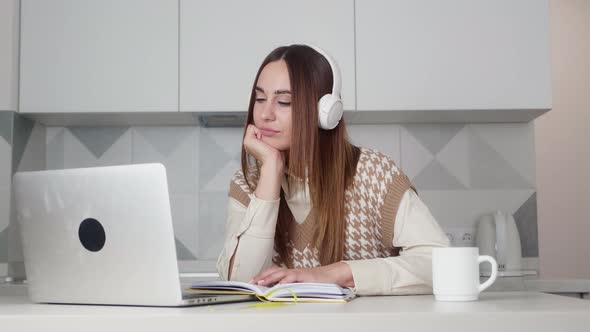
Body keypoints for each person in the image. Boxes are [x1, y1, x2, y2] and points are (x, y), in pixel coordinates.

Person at [216, 44, 450, 295]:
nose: (264, 114)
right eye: (260, 99)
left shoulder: (373, 174)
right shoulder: (248, 182)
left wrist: (335, 273)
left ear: (323, 112)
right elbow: (241, 283)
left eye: (284, 102)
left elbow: (441, 264)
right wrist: (270, 172)